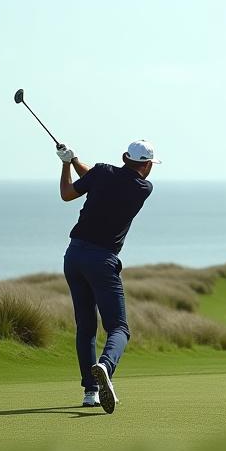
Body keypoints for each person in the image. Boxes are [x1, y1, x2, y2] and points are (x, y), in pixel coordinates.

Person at [55, 140, 160, 413]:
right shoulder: (143, 188)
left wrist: (67, 163)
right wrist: (75, 160)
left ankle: (90, 391)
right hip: (102, 261)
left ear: (125, 157)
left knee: (86, 327)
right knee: (119, 328)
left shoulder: (101, 172)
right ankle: (105, 366)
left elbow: (68, 193)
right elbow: (103, 180)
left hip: (74, 257)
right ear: (147, 165)